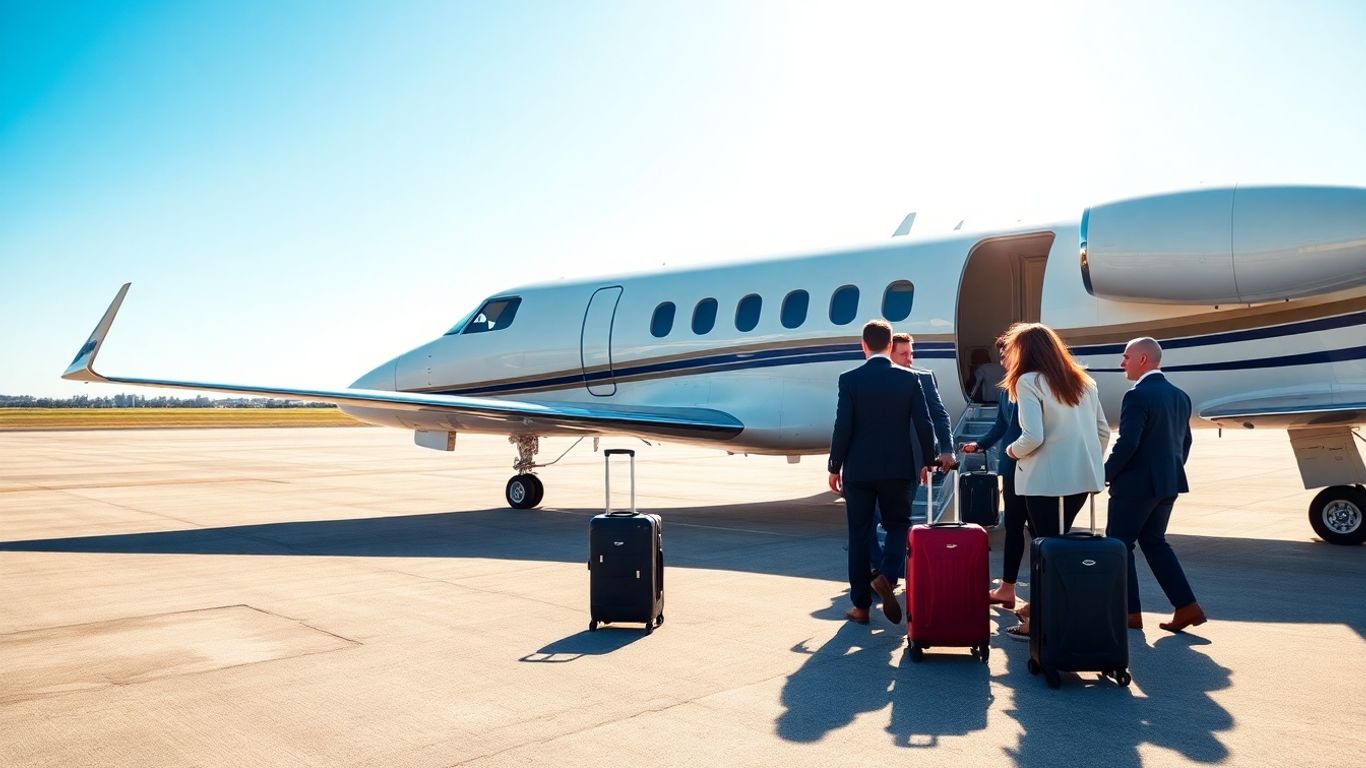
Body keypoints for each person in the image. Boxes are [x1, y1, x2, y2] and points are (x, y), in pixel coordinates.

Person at [998, 322, 1110, 640]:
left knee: (1045, 551)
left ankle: (1041, 621)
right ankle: (1048, 609)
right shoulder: (1084, 382)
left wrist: (1012, 451)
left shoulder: (1028, 381)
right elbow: (1102, 432)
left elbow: (1033, 436)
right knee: (1059, 547)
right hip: (1081, 480)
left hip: (1043, 482)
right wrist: (1083, 461)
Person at [828, 320, 937, 625]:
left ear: (863, 345)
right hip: (898, 468)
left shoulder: (850, 379)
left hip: (859, 470)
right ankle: (887, 576)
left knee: (859, 534)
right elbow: (924, 423)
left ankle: (861, 607)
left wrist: (834, 466)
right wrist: (928, 460)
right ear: (891, 346)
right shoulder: (910, 379)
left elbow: (843, 426)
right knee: (898, 525)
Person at [1104, 337, 1205, 633]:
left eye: (1126, 357)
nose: (1122, 363)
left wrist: (1105, 473)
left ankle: (1130, 613)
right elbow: (1185, 442)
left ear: (1142, 360)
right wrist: (1169, 471)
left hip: (1136, 486)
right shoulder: (1179, 396)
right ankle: (1187, 606)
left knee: (1119, 544)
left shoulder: (1137, 396)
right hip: (1168, 484)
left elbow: (1128, 443)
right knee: (1154, 542)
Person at [865, 333, 956, 586]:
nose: (910, 359)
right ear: (889, 353)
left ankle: (887, 573)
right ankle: (881, 568)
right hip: (873, 462)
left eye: (911, 353)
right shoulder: (870, 378)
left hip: (911, 463)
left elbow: (939, 415)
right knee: (868, 517)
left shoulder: (923, 378)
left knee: (897, 518)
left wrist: (946, 450)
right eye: (903, 354)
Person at [962, 345, 1027, 609]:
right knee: (1013, 527)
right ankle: (1007, 588)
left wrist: (1011, 451)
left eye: (1005, 355)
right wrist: (980, 444)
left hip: (1031, 466)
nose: (1001, 361)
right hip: (1012, 468)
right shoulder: (1007, 388)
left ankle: (1043, 594)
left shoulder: (1030, 386)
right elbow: (1001, 425)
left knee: (1038, 531)